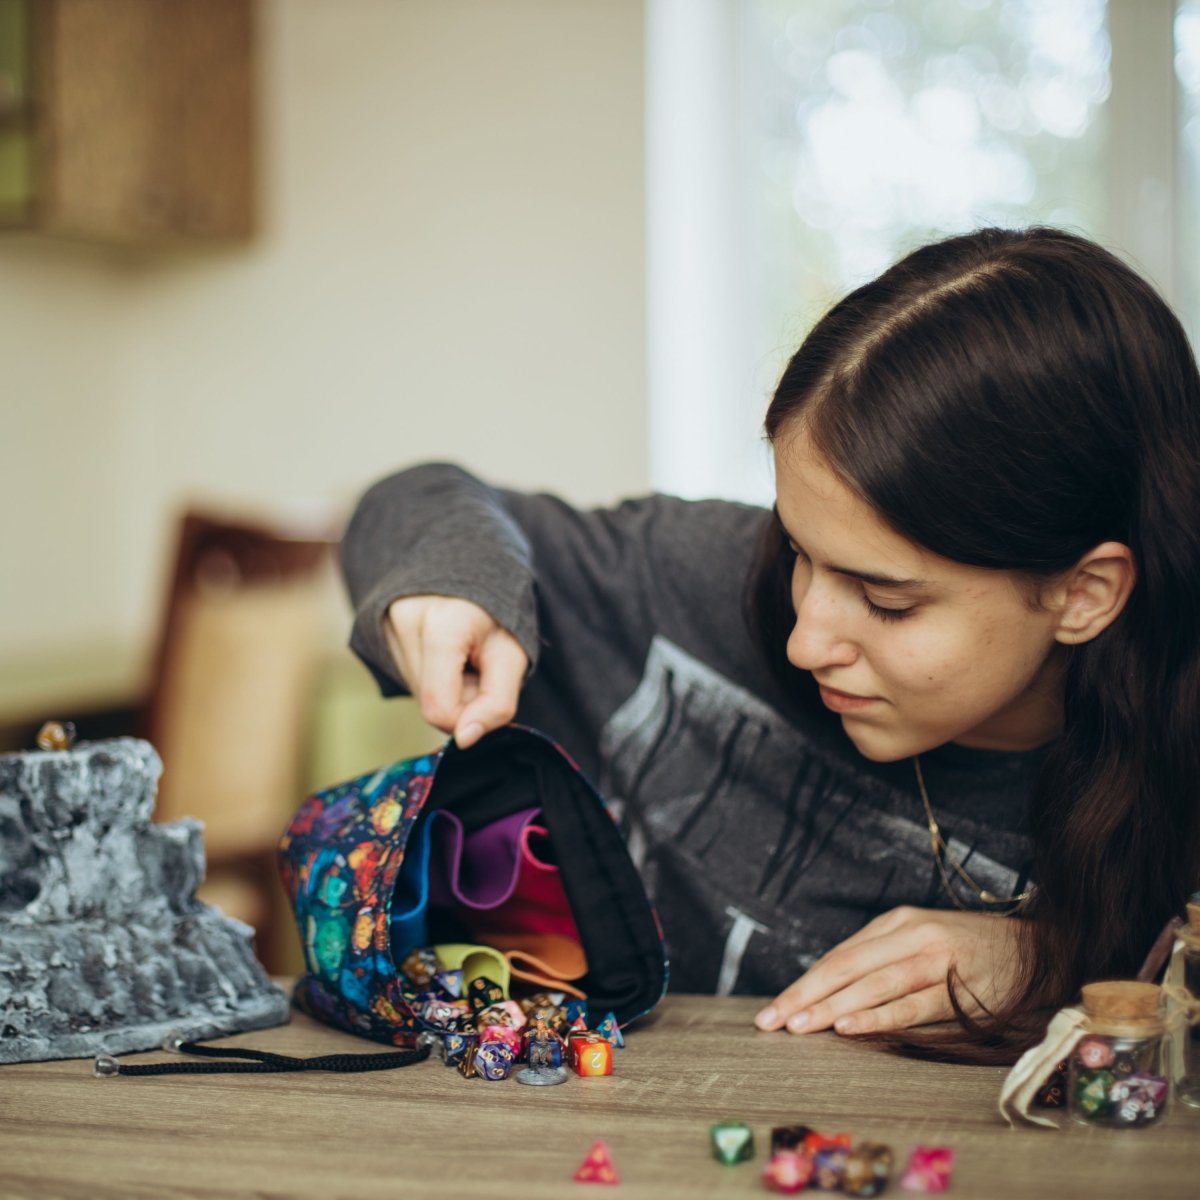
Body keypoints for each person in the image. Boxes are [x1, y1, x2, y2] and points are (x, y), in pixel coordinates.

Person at [340, 227, 1200, 1063]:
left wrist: (1059, 966)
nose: (806, 641)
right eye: (799, 551)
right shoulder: (691, 580)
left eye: (885, 600)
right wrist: (447, 584)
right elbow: (421, 496)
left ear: (1083, 595)